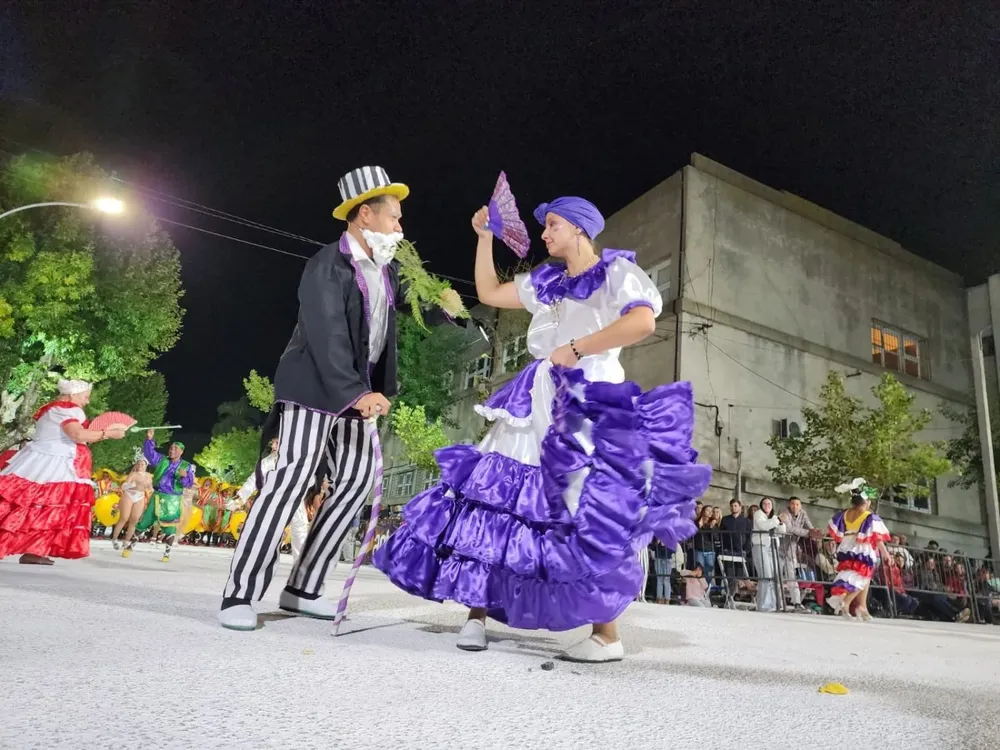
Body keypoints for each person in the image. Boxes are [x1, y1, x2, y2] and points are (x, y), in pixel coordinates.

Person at [374, 196, 712, 663]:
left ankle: (606, 635)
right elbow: (490, 292)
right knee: (497, 498)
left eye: (553, 225)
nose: (545, 234)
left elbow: (641, 321)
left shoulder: (617, 273)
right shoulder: (547, 280)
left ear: (579, 229)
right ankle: (476, 615)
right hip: (534, 397)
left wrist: (577, 347)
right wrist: (485, 238)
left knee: (582, 510)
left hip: (587, 399)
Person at [219, 166, 463, 631]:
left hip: (360, 393)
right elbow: (328, 334)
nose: (400, 228)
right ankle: (239, 593)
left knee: (352, 486)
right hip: (315, 388)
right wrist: (356, 393)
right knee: (290, 480)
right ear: (364, 215)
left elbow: (391, 326)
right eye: (394, 218)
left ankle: (303, 588)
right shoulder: (326, 265)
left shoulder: (386, 272)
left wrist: (440, 312)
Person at [0, 379, 127, 564]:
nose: (87, 401)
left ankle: (36, 550)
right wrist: (108, 434)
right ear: (73, 394)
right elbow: (77, 435)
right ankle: (34, 550)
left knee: (39, 505)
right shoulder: (69, 409)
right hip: (56, 463)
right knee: (50, 505)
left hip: (41, 460)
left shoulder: (52, 409)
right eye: (85, 397)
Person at [826, 483, 892, 621]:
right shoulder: (868, 516)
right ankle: (847, 602)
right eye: (869, 501)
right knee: (863, 575)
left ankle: (862, 606)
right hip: (861, 546)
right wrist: (885, 553)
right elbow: (877, 537)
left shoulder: (845, 513)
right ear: (866, 501)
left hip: (847, 545)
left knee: (859, 576)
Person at [137, 430, 195, 562]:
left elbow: (188, 484)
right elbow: (149, 454)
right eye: (171, 448)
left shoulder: (186, 466)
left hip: (173, 500)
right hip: (157, 495)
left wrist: (184, 477)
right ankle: (129, 546)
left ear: (181, 452)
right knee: (145, 520)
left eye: (175, 448)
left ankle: (166, 554)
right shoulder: (162, 460)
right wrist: (149, 439)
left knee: (170, 526)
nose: (172, 450)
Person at [114, 458, 153, 557]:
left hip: (140, 496)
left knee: (134, 520)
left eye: (142, 464)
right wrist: (131, 485)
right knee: (124, 518)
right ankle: (115, 538)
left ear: (146, 465)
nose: (140, 466)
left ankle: (126, 541)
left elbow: (150, 488)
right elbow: (124, 486)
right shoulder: (133, 474)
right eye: (138, 464)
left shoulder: (149, 476)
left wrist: (151, 488)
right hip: (130, 495)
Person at [752, 498, 785, 613]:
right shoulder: (758, 514)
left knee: (773, 576)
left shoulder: (773, 518)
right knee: (765, 576)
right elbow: (763, 526)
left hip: (772, 548)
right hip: (761, 546)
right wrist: (778, 519)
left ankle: (773, 604)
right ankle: (762, 605)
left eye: (769, 504)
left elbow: (782, 532)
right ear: (761, 505)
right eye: (765, 503)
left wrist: (780, 522)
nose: (767, 505)